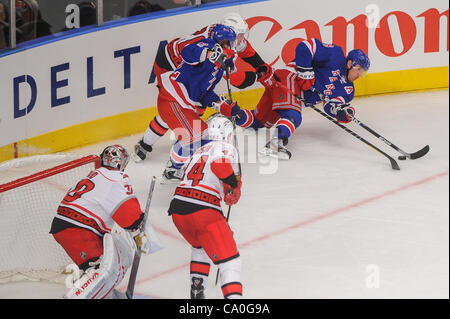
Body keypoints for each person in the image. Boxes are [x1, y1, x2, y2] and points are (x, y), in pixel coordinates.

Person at [133, 12, 272, 162]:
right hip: (169, 64)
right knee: (185, 109)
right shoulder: (211, 45)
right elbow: (238, 81)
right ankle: (170, 149)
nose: (242, 40)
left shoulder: (225, 40)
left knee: (192, 106)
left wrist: (261, 66)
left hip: (189, 66)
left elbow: (246, 51)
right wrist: (210, 54)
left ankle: (149, 143)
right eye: (240, 35)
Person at [234, 38, 370, 159]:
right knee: (293, 115)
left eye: (362, 72)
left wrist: (340, 112)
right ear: (349, 63)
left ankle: (231, 115)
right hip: (289, 78)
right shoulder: (336, 55)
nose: (359, 74)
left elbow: (330, 106)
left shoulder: (348, 91)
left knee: (259, 122)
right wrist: (305, 72)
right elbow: (305, 46)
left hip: (290, 93)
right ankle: (276, 143)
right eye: (358, 69)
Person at [49, 145, 154, 299]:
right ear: (121, 163)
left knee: (102, 267)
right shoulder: (117, 178)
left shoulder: (94, 175)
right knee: (99, 272)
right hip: (79, 230)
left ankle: (103, 295)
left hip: (69, 226)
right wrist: (138, 226)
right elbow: (129, 217)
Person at [168, 114, 243, 299]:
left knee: (199, 246)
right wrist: (232, 184)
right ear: (226, 133)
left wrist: (227, 188)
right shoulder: (226, 147)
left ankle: (197, 293)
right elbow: (220, 167)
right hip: (204, 211)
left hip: (178, 211)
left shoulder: (198, 150)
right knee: (230, 263)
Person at [156, 24, 242, 182]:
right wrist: (210, 54)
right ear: (222, 42)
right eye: (229, 43)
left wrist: (222, 106)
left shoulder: (218, 68)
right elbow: (187, 52)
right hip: (172, 99)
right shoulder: (209, 45)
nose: (231, 46)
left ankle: (189, 169)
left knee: (206, 139)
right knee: (195, 136)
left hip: (182, 105)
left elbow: (205, 93)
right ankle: (173, 169)